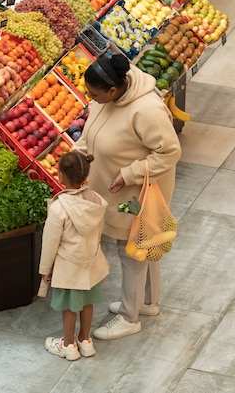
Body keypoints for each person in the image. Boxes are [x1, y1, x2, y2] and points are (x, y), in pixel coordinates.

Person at [72, 50, 181, 340]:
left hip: (137, 193)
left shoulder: (146, 110)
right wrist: (77, 154)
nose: (90, 98)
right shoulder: (108, 99)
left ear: (112, 90)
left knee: (132, 250)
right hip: (119, 190)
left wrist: (130, 174)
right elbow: (91, 133)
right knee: (145, 243)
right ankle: (146, 302)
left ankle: (129, 316)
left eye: (94, 94)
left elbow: (169, 152)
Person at [39, 151, 110, 361]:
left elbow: (50, 242)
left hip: (69, 267)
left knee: (69, 306)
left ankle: (68, 345)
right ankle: (85, 340)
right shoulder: (96, 200)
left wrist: (45, 269)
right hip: (91, 263)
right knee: (88, 302)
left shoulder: (59, 207)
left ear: (60, 175)